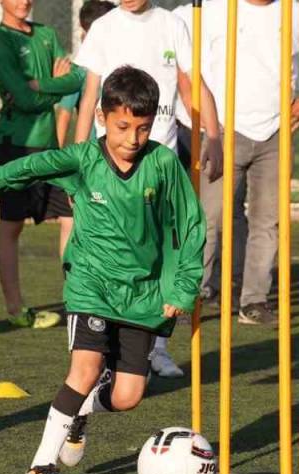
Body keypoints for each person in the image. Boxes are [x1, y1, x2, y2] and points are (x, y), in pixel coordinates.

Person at [0, 66, 205, 474]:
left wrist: (182, 286)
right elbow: (28, 167)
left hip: (143, 293)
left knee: (129, 395)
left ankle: (80, 413)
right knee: (86, 368)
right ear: (101, 117)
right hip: (91, 284)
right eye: (123, 126)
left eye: (143, 128)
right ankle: (39, 469)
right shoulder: (83, 159)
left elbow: (189, 225)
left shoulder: (163, 163)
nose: (133, 138)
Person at [72, 0, 223, 378]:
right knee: (113, 252)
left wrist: (214, 134)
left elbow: (192, 85)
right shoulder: (106, 26)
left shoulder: (172, 24)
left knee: (162, 255)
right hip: (112, 164)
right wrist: (78, 161)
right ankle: (104, 347)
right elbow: (89, 95)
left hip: (159, 160)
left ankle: (157, 347)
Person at [196, 0, 299, 325]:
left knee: (268, 221)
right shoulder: (216, 9)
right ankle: (193, 293)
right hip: (224, 132)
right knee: (210, 218)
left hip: (275, 133)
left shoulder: (293, 11)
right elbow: (190, 67)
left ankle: (253, 301)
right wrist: (209, 126)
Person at [0, 0, 85, 329]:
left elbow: (78, 79)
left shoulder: (46, 34)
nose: (24, 1)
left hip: (49, 148)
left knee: (72, 216)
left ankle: (78, 298)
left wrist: (39, 85)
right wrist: (54, 86)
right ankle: (16, 309)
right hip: (14, 144)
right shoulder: (0, 43)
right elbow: (26, 102)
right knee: (12, 225)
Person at [53, 0, 115, 257]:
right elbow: (64, 115)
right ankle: (73, 284)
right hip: (89, 157)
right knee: (72, 221)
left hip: (113, 156)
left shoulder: (115, 63)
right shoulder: (81, 69)